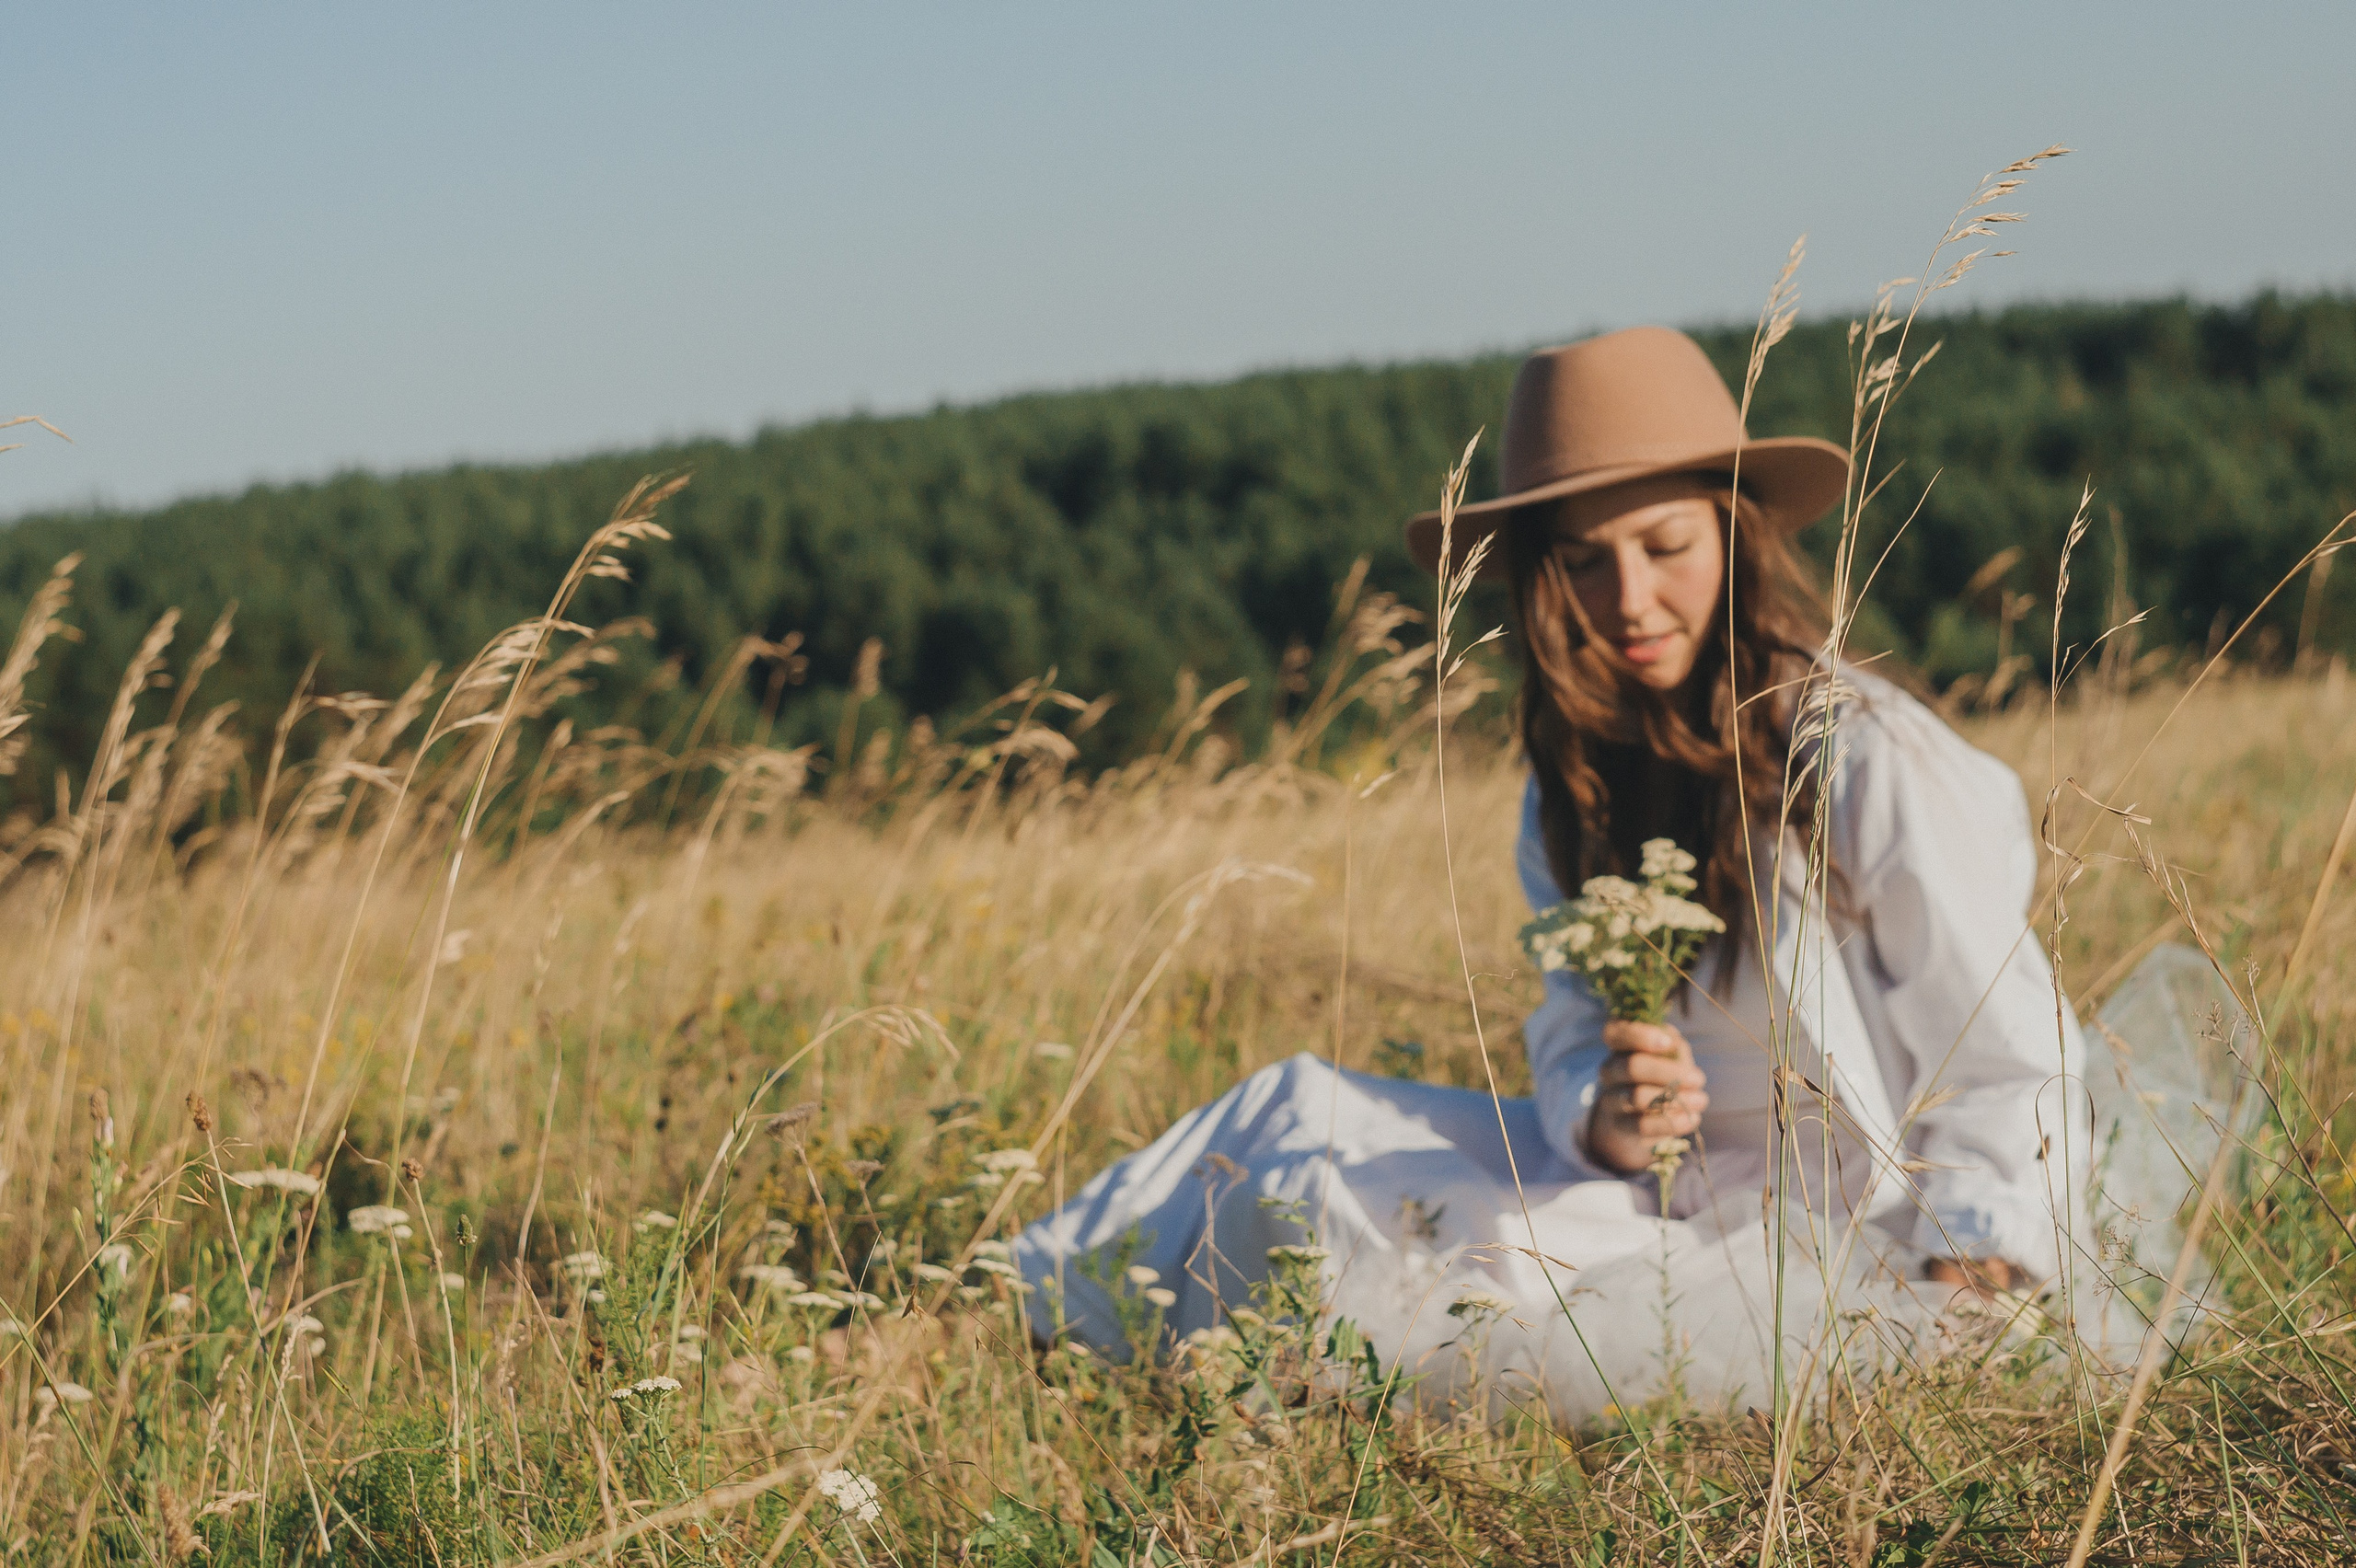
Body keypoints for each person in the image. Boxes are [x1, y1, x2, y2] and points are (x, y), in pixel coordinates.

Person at [1012, 327, 2169, 1424]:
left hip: (1868, 1230)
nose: (1628, 601)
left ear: (1735, 534)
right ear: (1538, 578)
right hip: (1657, 1200)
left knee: (1493, 1277)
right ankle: (1035, 1303)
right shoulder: (1569, 786)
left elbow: (2005, 1049)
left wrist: (1971, 1260)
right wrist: (1602, 1115)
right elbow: (1567, 1031)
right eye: (1583, 563)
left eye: (1665, 548)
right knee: (1295, 1123)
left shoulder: (1862, 755)